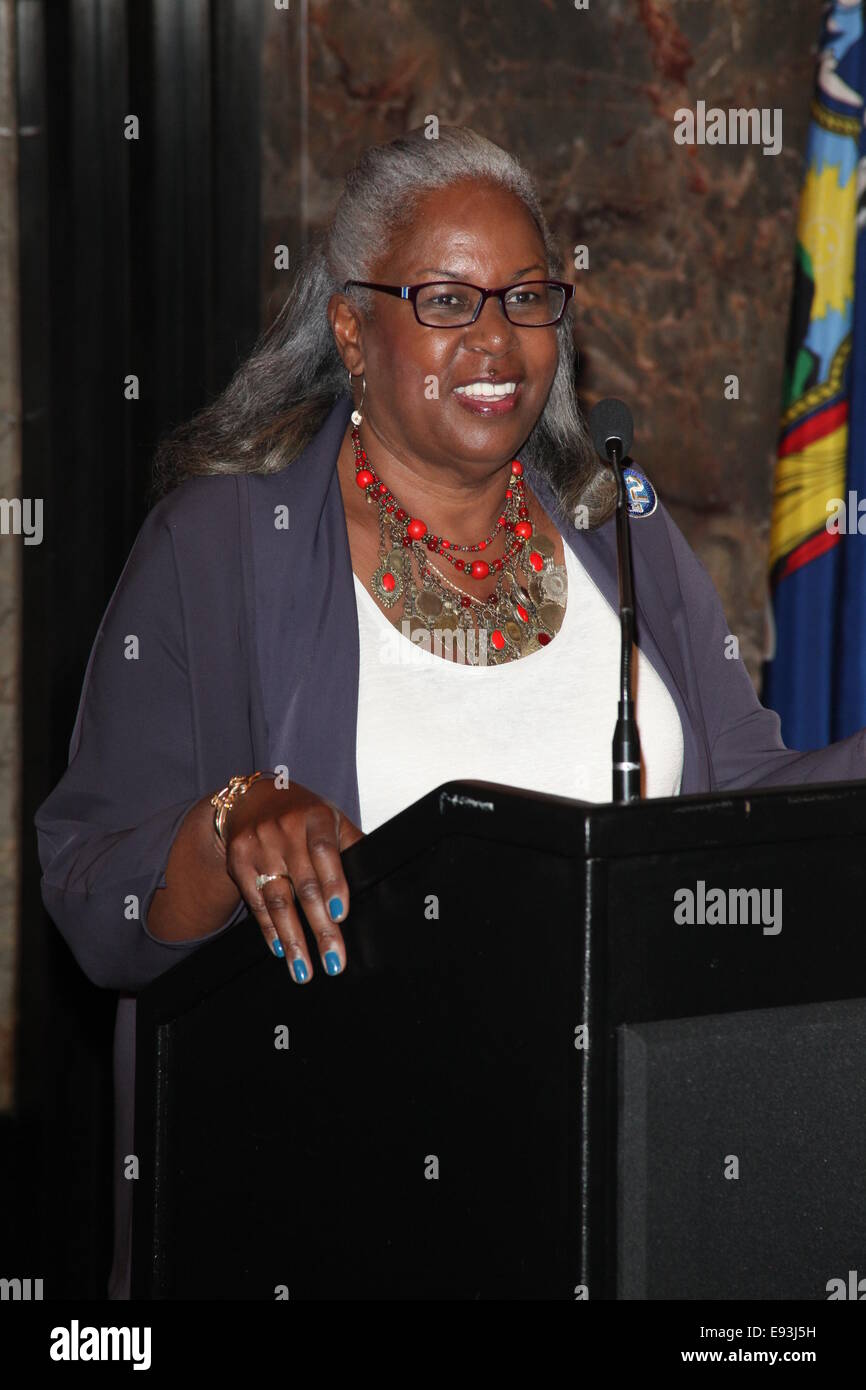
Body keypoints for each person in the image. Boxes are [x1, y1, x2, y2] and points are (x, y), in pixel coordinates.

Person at [33, 125, 866, 1300]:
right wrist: (231, 820)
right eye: (443, 298)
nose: (494, 338)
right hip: (340, 1211)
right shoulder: (222, 549)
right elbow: (90, 889)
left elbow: (742, 800)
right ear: (350, 332)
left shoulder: (615, 526)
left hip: (619, 1202)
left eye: (526, 296)